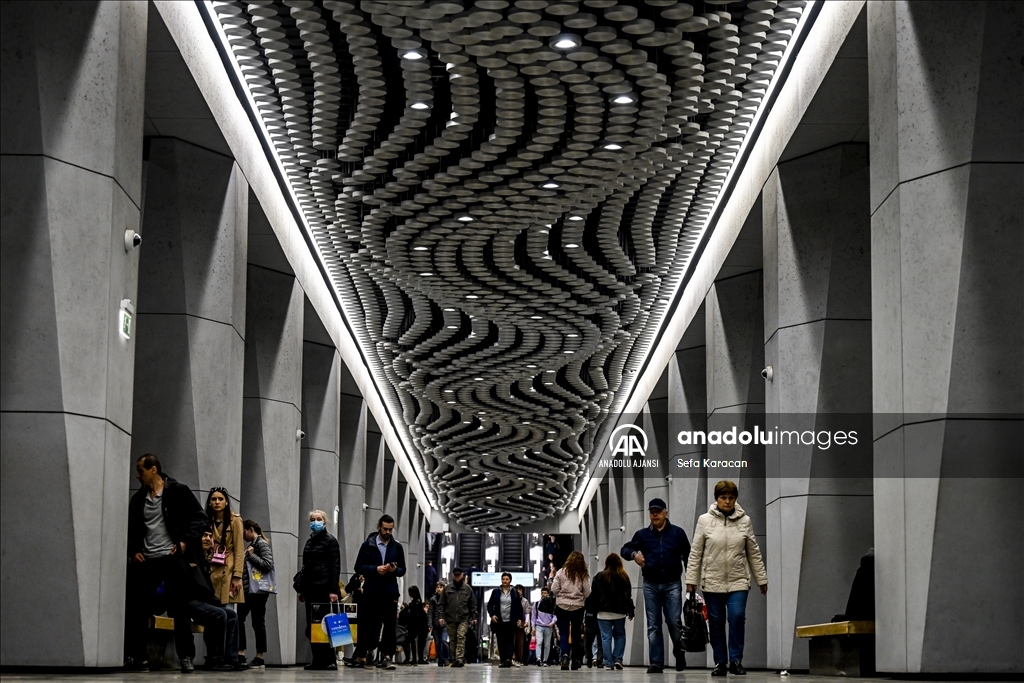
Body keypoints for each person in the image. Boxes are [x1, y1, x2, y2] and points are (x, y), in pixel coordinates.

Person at [125, 454, 209, 673]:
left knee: (180, 609)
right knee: (137, 607)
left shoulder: (178, 491)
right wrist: (133, 551)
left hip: (172, 559)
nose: (137, 474)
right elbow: (131, 529)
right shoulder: (138, 499)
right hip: (148, 560)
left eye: (140, 470)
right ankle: (139, 657)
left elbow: (200, 519)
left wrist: (185, 543)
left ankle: (186, 657)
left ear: (153, 469)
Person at [686, 481, 768, 677]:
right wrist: (691, 579)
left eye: (731, 497)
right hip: (712, 581)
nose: (727, 501)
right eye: (723, 497)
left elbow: (753, 552)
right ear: (717, 499)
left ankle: (736, 660)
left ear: (735, 499)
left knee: (737, 617)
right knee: (716, 622)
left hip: (738, 579)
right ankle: (720, 662)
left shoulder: (744, 521)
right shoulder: (704, 520)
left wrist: (761, 578)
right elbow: (696, 552)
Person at [621, 497, 692, 673]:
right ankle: (656, 663)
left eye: (658, 511)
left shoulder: (677, 533)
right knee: (653, 624)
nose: (655, 515)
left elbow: (689, 556)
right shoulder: (642, 535)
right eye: (652, 512)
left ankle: (679, 652)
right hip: (650, 585)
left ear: (665, 512)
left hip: (672, 584)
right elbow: (625, 549)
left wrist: (691, 581)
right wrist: (634, 554)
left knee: (674, 622)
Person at [353, 514, 407, 670]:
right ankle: (369, 651)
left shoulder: (397, 547)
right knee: (371, 625)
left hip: (390, 592)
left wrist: (394, 569)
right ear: (379, 527)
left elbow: (402, 569)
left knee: (390, 626)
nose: (388, 532)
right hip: (372, 591)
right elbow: (359, 567)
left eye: (390, 529)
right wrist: (375, 569)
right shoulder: (368, 545)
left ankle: (387, 656)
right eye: (385, 529)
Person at [186, 529, 244, 671]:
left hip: (201, 601)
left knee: (232, 615)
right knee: (219, 614)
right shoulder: (188, 555)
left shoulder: (204, 559)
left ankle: (230, 658)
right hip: (187, 600)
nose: (208, 539)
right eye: (204, 535)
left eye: (210, 536)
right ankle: (214, 659)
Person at [297, 509, 341, 670]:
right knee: (312, 627)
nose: (315, 522)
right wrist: (302, 589)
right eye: (313, 519)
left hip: (324, 589)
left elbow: (335, 566)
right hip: (310, 590)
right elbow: (306, 567)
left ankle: (330, 660)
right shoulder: (309, 542)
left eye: (319, 519)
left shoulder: (330, 541)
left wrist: (333, 590)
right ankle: (317, 660)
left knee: (325, 625)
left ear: (324, 522)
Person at [237, 519, 274, 669]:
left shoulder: (261, 544)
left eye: (243, 532)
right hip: (250, 590)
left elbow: (267, 564)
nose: (243, 536)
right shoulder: (254, 544)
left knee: (256, 622)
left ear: (250, 529)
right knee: (244, 619)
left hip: (257, 591)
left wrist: (251, 555)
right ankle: (243, 654)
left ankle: (257, 657)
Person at [591, 553, 635, 670]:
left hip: (603, 613)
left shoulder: (598, 577)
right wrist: (630, 610)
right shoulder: (624, 577)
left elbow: (593, 596)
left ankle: (609, 663)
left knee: (606, 637)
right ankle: (618, 659)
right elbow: (627, 596)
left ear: (606, 563)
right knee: (620, 635)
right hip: (619, 612)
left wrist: (593, 611)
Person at [550, 550, 591, 670]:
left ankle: (565, 656)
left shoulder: (561, 572)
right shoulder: (582, 574)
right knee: (576, 634)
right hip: (577, 607)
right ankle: (575, 660)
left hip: (562, 606)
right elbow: (587, 592)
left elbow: (554, 589)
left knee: (563, 633)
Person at [204, 488, 245, 608]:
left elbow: (239, 549)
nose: (217, 502)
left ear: (226, 502)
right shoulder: (206, 521)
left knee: (227, 609)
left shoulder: (235, 520)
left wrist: (237, 576)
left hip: (228, 569)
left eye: (220, 499)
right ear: (210, 502)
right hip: (210, 566)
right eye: (214, 499)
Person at [438, 567, 477, 667]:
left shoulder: (468, 589)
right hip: (450, 618)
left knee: (461, 637)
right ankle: (455, 658)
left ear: (462, 575)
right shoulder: (447, 588)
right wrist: (441, 616)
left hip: (463, 618)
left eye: (459, 575)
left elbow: (472, 604)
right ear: (452, 575)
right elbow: (441, 604)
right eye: (455, 575)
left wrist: (474, 617)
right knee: (453, 639)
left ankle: (459, 658)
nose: (457, 577)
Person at [487, 572, 524, 668]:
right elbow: (489, 605)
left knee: (510, 640)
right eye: (503, 579)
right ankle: (503, 660)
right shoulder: (496, 591)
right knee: (501, 641)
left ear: (510, 581)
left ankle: (508, 659)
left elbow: (519, 607)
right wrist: (492, 615)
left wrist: (520, 618)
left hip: (511, 621)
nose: (505, 581)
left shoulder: (514, 592)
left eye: (507, 579)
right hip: (499, 621)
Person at [400, 586, 429, 666]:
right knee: (416, 642)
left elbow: (414, 614)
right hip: (418, 625)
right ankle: (416, 659)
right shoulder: (417, 602)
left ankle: (414, 659)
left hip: (416, 625)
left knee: (413, 641)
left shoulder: (416, 603)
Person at [531, 586, 556, 667]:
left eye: (545, 593)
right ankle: (538, 658)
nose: (544, 595)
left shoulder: (552, 604)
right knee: (539, 642)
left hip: (548, 626)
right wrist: (533, 627)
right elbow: (534, 616)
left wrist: (553, 622)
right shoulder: (537, 604)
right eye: (542, 593)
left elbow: (555, 615)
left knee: (547, 644)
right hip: (539, 626)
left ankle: (545, 660)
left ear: (548, 594)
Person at [428, 581, 450, 666]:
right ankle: (440, 659)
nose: (439, 589)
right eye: (437, 587)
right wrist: (430, 624)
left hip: (445, 624)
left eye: (441, 587)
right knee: (437, 643)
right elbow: (430, 613)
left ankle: (446, 658)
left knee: (444, 641)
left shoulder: (447, 599)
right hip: (435, 624)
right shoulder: (433, 600)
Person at [514, 584, 530, 665]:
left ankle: (520, 660)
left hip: (521, 625)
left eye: (520, 590)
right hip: (511, 625)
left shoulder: (525, 601)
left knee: (520, 643)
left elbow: (527, 613)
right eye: (517, 590)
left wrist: (526, 622)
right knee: (512, 642)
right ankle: (511, 659)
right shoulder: (511, 600)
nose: (518, 591)